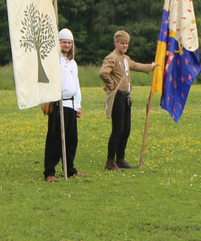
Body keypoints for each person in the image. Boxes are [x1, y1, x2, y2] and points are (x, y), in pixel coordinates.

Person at [98, 30, 155, 171]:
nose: (125, 46)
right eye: (122, 43)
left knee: (126, 129)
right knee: (117, 130)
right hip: (118, 96)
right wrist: (112, 85)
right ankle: (110, 161)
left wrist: (151, 67)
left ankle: (120, 159)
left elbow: (136, 66)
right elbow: (103, 72)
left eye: (127, 43)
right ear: (116, 43)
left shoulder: (126, 59)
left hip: (126, 97)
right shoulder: (112, 57)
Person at [44, 28, 85, 182]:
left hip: (71, 104)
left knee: (71, 139)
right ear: (58, 43)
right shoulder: (54, 61)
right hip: (58, 104)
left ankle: (69, 169)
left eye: (69, 42)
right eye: (63, 42)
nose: (67, 45)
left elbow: (76, 85)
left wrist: (78, 105)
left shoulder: (72, 63)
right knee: (55, 139)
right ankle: (49, 172)